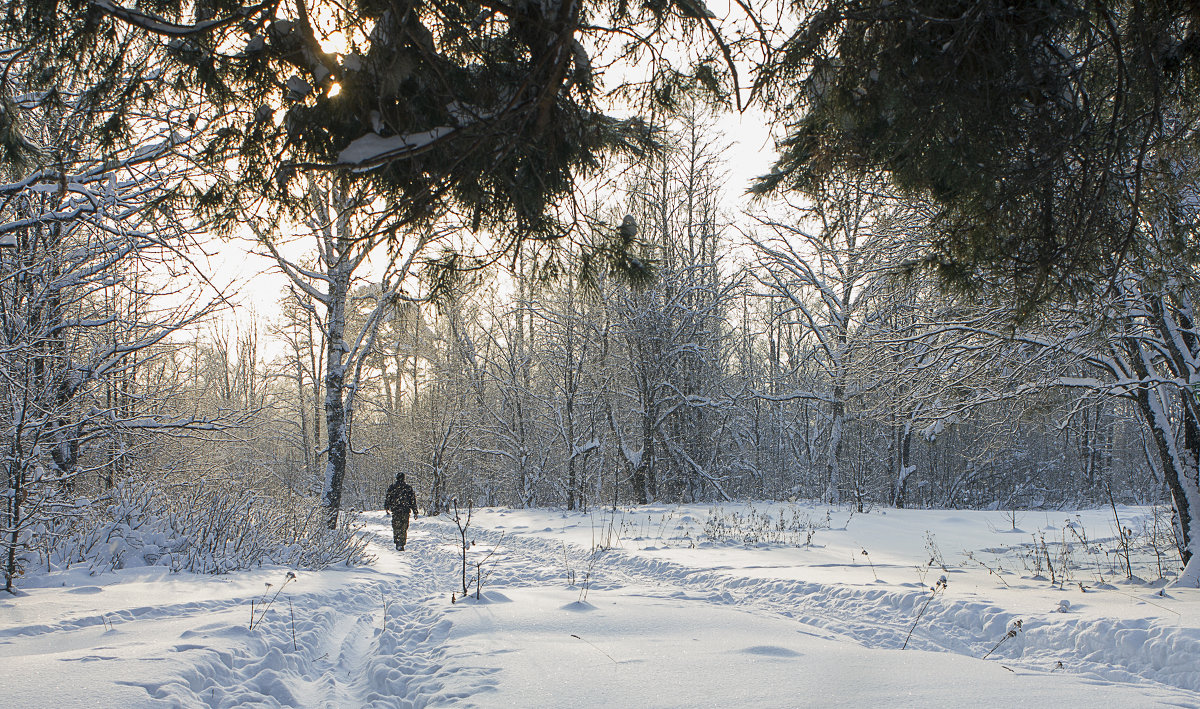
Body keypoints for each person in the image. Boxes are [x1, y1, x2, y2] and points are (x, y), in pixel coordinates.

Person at [384, 472, 420, 550]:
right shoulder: (408, 488)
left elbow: (388, 498)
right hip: (405, 511)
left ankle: (398, 542)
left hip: (396, 510)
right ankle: (401, 542)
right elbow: (412, 500)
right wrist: (415, 511)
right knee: (404, 527)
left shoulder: (392, 487)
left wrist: (387, 507)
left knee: (396, 527)